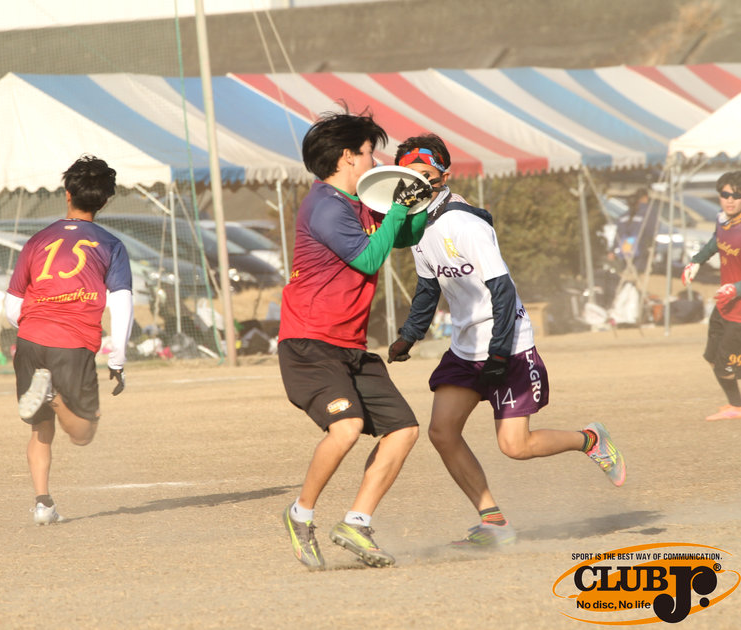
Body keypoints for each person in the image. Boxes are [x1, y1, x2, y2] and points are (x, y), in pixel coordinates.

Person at [387, 133, 626, 548]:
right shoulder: (418, 229)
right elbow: (428, 289)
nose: (417, 183)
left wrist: (499, 353)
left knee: (516, 446)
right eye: (410, 176)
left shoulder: (466, 224)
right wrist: (408, 336)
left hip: (508, 346)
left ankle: (589, 439)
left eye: (425, 174)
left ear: (443, 175)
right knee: (442, 432)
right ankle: (494, 522)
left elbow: (503, 291)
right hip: (465, 349)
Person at [279, 110, 432, 569]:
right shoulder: (326, 205)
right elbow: (368, 258)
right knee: (346, 428)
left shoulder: (359, 202)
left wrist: (421, 200)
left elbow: (401, 236)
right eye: (369, 152)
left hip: (350, 347)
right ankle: (300, 514)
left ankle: (356, 523)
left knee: (403, 430)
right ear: (347, 156)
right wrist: (400, 208)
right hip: (310, 343)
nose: (374, 161)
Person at [5, 154, 134, 525]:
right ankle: (54, 396)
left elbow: (11, 306)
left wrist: (33, 325)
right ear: (104, 201)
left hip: (30, 338)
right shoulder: (110, 244)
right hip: (72, 342)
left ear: (67, 194)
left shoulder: (37, 240)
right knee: (83, 432)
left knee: (40, 428)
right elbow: (121, 304)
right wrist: (117, 359)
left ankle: (43, 504)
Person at [681, 170, 741, 421]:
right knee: (713, 359)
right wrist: (696, 261)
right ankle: (736, 404)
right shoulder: (722, 220)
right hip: (724, 306)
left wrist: (736, 288)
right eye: (725, 194)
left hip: (739, 313)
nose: (730, 200)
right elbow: (717, 240)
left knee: (726, 366)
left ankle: (737, 407)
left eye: (736, 195)